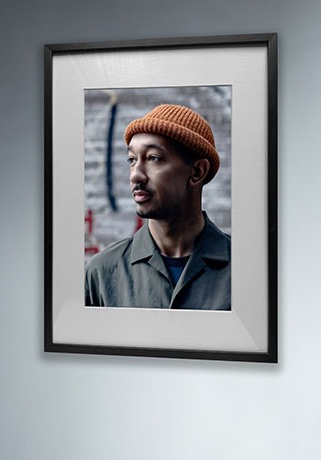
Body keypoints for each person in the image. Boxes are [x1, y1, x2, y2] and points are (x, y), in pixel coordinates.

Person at [84, 103, 231, 310]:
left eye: (154, 158)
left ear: (197, 172)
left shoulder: (244, 269)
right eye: (132, 160)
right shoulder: (101, 272)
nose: (135, 174)